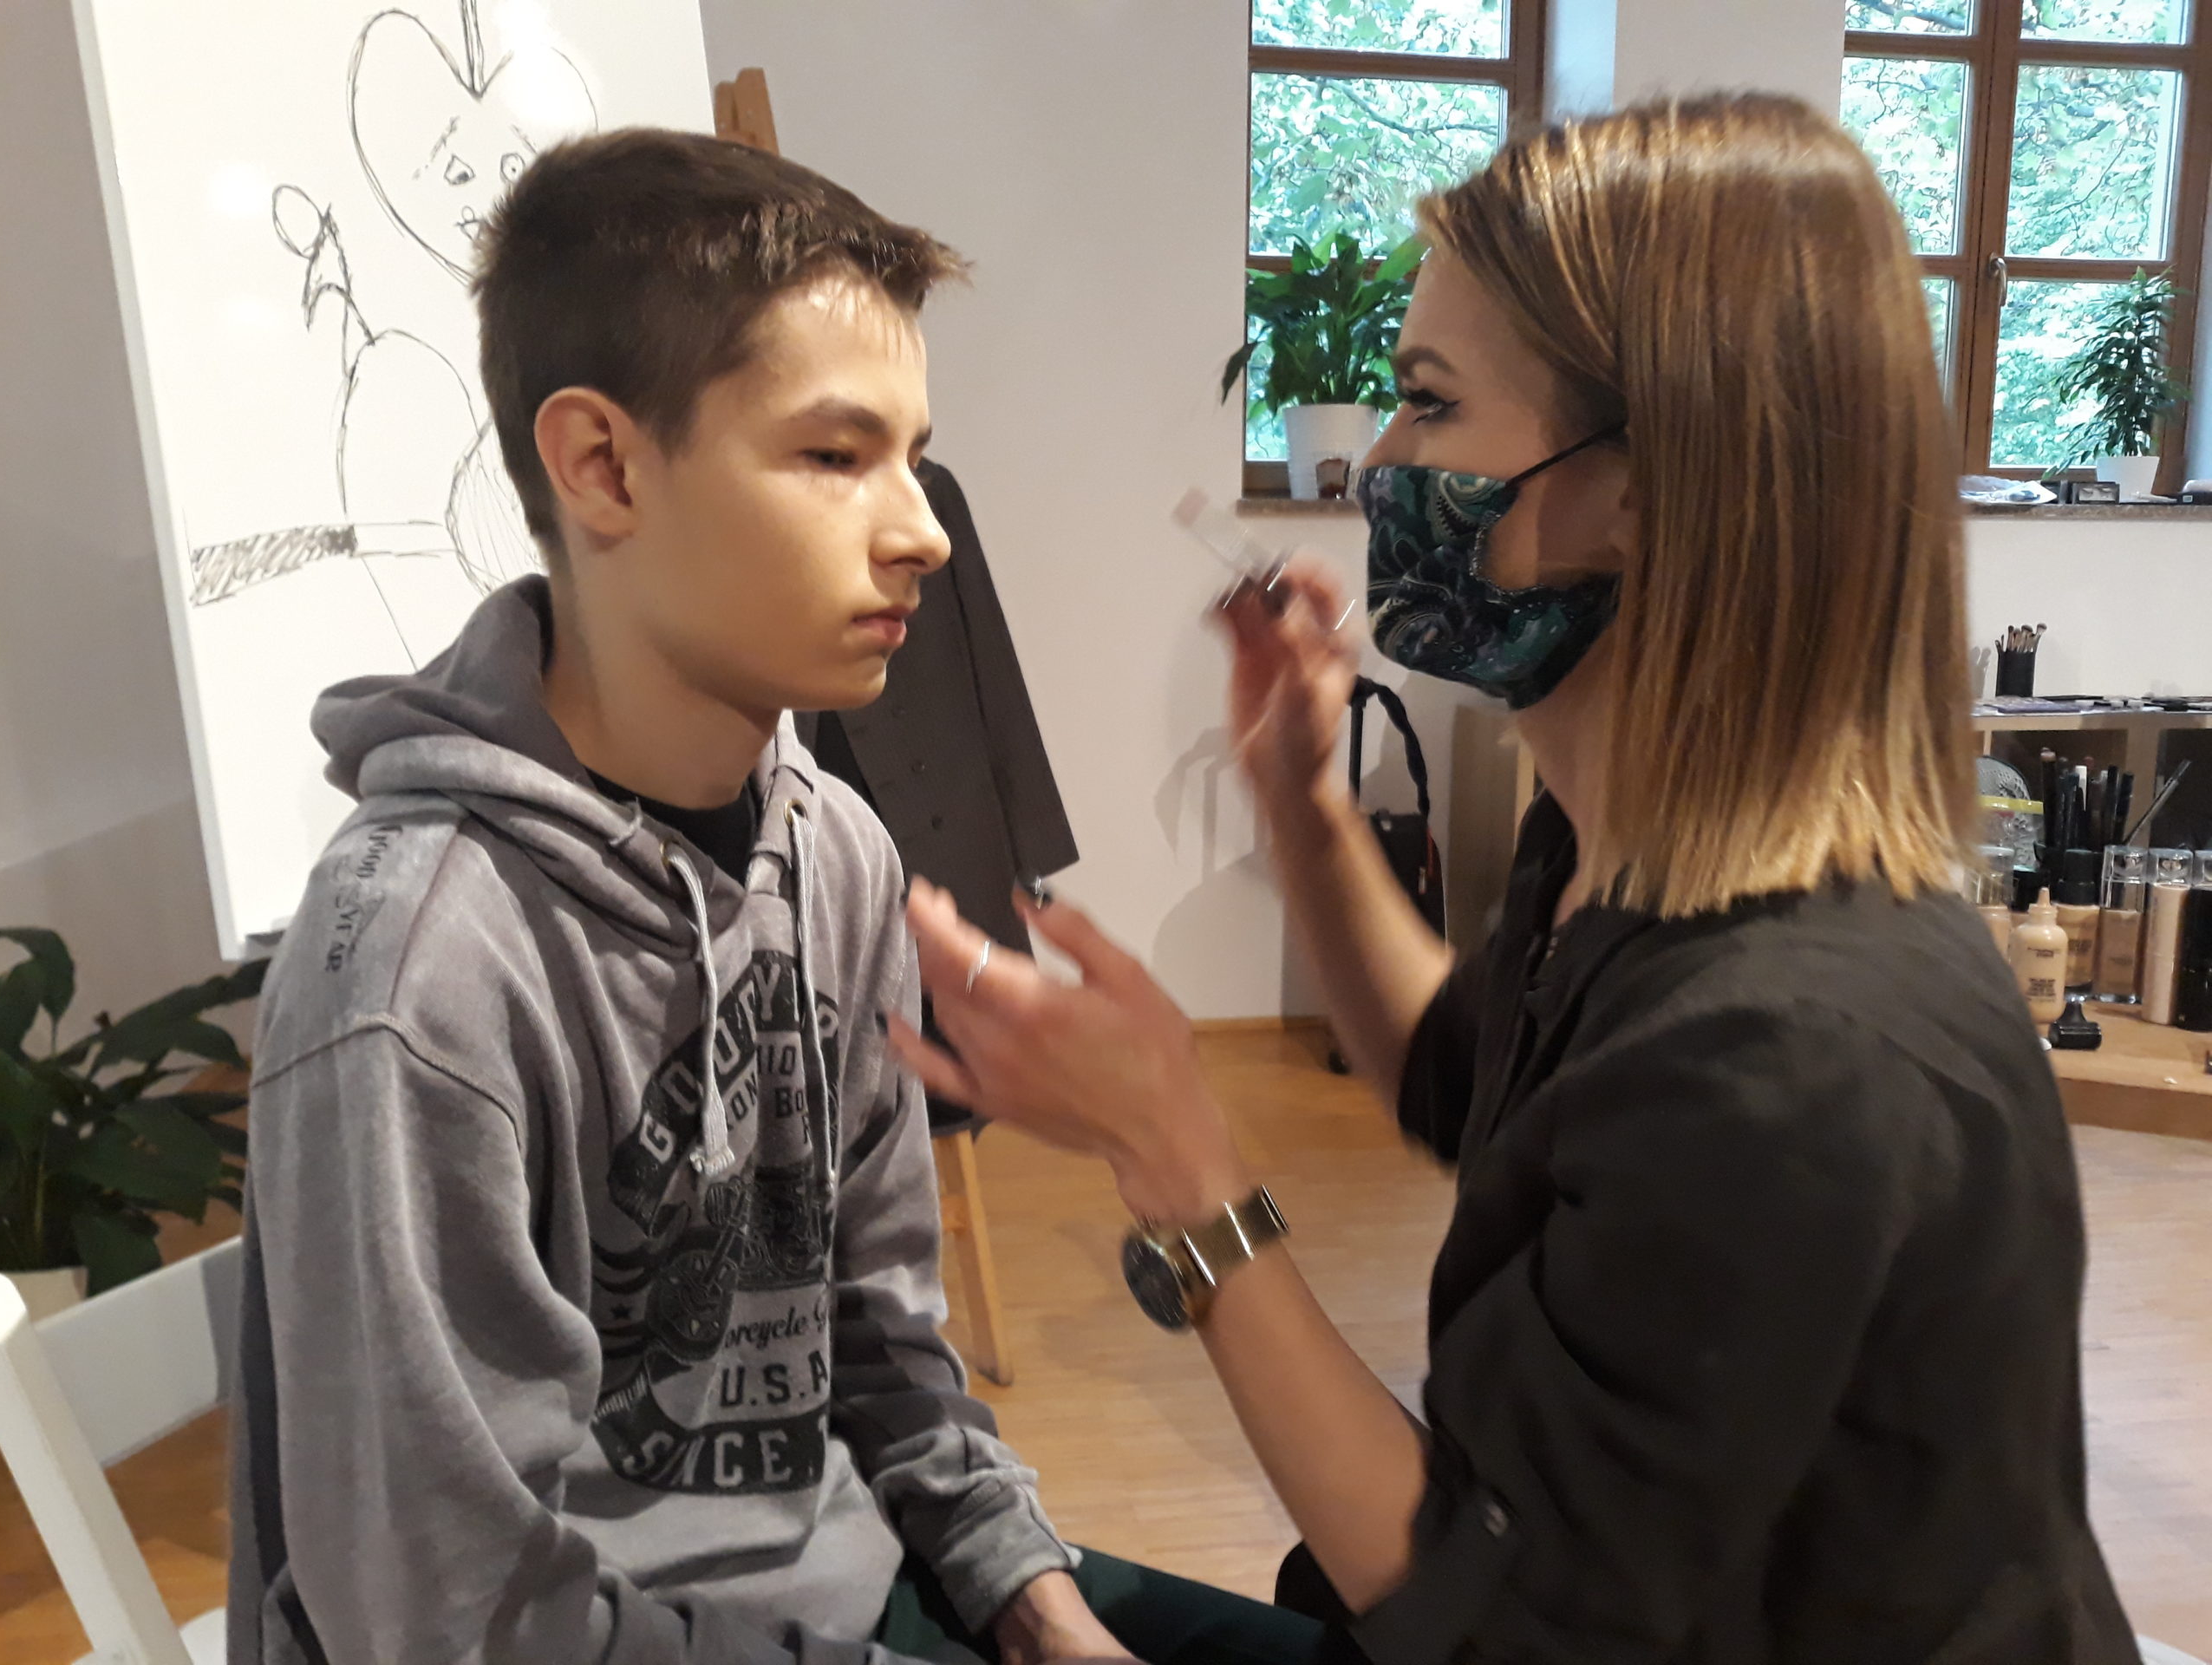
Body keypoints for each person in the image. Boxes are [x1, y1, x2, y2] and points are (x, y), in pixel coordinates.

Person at [893, 95, 2141, 1663]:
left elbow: (1495, 1612)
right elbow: (1457, 1073)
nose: (1380, 464)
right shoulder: (1615, 851)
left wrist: (1177, 1160)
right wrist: (1300, 800)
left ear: (1644, 489)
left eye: (1429, 407)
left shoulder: (1796, 1053)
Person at [225, 131, 1322, 1665]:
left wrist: (1038, 1607)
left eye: (913, 455)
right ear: (602, 465)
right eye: (834, 456)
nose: (925, 529)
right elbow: (446, 1616)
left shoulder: (839, 856)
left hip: (836, 1586)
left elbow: (882, 1341)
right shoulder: (423, 971)